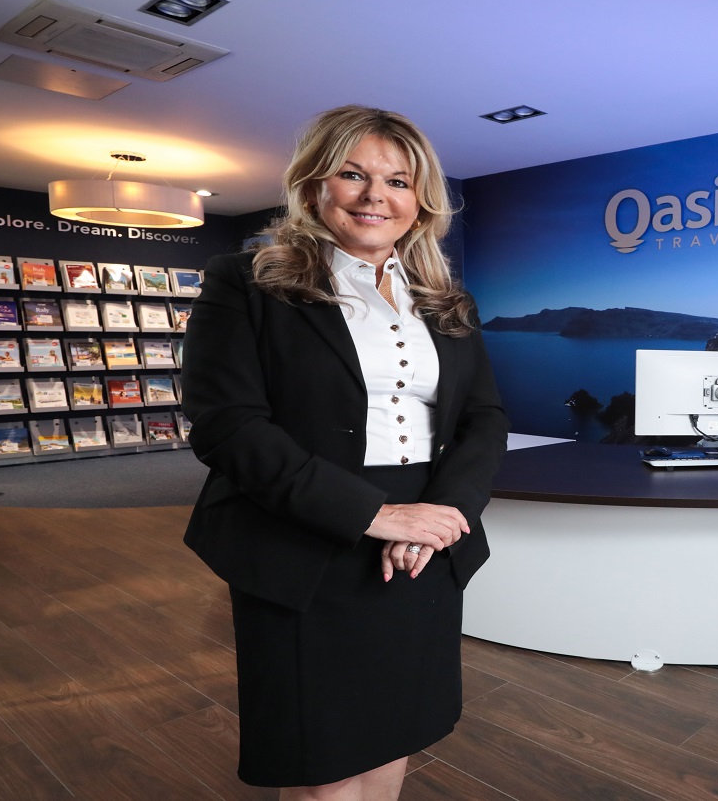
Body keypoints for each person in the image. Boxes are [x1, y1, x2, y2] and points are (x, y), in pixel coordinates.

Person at [181, 104, 510, 799]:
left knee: (397, 724)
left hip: (425, 542)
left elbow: (484, 418)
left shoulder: (448, 300)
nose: (375, 196)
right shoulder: (244, 282)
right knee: (317, 751)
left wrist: (443, 513)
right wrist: (375, 515)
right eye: (353, 174)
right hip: (302, 536)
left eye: (398, 180)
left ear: (420, 200)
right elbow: (227, 425)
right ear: (313, 186)